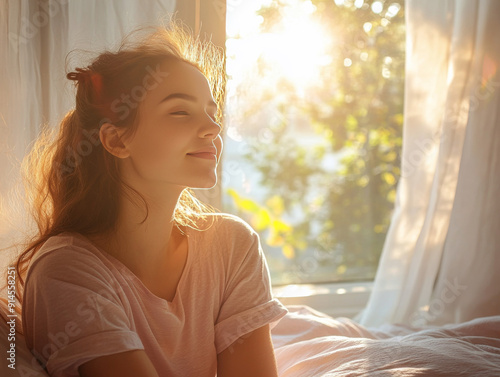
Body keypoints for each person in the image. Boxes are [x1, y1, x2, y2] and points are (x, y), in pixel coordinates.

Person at [12, 20, 288, 377]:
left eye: (212, 112)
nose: (214, 129)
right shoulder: (66, 271)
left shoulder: (232, 245)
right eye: (180, 112)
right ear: (116, 141)